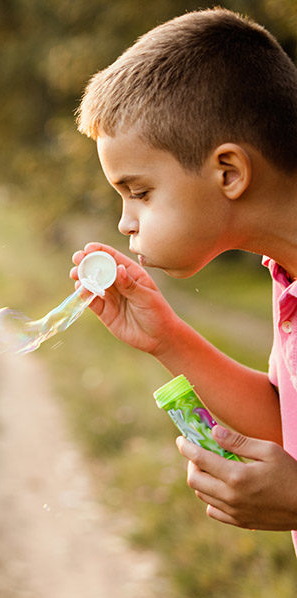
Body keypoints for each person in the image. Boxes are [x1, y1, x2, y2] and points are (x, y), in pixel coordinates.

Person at [71, 7, 297, 545]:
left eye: (139, 192)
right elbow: (284, 417)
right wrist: (166, 338)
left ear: (228, 172)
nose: (125, 221)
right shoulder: (286, 274)